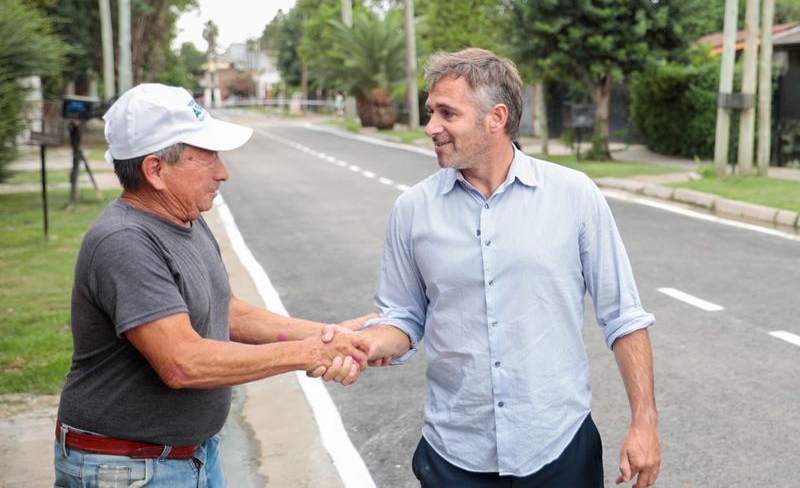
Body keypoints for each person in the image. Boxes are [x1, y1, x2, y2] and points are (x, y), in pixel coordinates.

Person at [355, 49, 661, 487]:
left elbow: (623, 316)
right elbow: (402, 317)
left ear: (495, 117)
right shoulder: (412, 211)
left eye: (447, 114)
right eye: (431, 112)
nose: (431, 128)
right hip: (454, 455)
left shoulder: (574, 196)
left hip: (559, 448)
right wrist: (362, 344)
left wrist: (644, 421)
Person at [54, 83, 371, 487]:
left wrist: (334, 335)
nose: (223, 172)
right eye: (207, 159)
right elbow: (182, 362)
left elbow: (227, 310)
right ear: (155, 170)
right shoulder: (125, 241)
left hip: (190, 457)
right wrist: (311, 352)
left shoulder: (184, 218)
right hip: (128, 468)